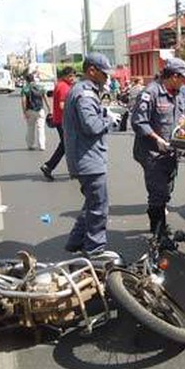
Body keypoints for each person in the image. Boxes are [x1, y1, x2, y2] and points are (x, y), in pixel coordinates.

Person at [130, 57, 185, 250]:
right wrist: (157, 139)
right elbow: (139, 122)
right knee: (158, 193)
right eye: (182, 78)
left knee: (167, 191)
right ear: (173, 76)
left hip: (171, 152)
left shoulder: (179, 93)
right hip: (152, 153)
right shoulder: (151, 93)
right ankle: (158, 235)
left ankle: (160, 227)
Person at [62, 53, 114, 255]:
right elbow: (91, 126)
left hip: (87, 156)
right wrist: (110, 120)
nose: (107, 78)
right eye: (104, 74)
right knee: (98, 207)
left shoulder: (85, 91)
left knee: (92, 202)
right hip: (88, 159)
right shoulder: (84, 93)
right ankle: (94, 249)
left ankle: (75, 241)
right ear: (92, 71)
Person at [40, 67, 76, 181]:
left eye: (73, 76)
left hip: (60, 120)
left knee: (66, 145)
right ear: (64, 76)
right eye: (70, 76)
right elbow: (62, 105)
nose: (73, 78)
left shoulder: (61, 85)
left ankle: (72, 169)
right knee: (66, 145)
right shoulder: (64, 87)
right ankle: (49, 166)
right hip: (63, 121)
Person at [21, 73, 51, 151]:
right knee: (41, 128)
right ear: (33, 79)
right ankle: (42, 145)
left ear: (26, 80)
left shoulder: (25, 89)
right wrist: (49, 109)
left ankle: (30, 145)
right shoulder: (40, 87)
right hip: (40, 110)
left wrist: (24, 112)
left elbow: (23, 101)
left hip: (30, 110)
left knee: (30, 128)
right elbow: (46, 98)